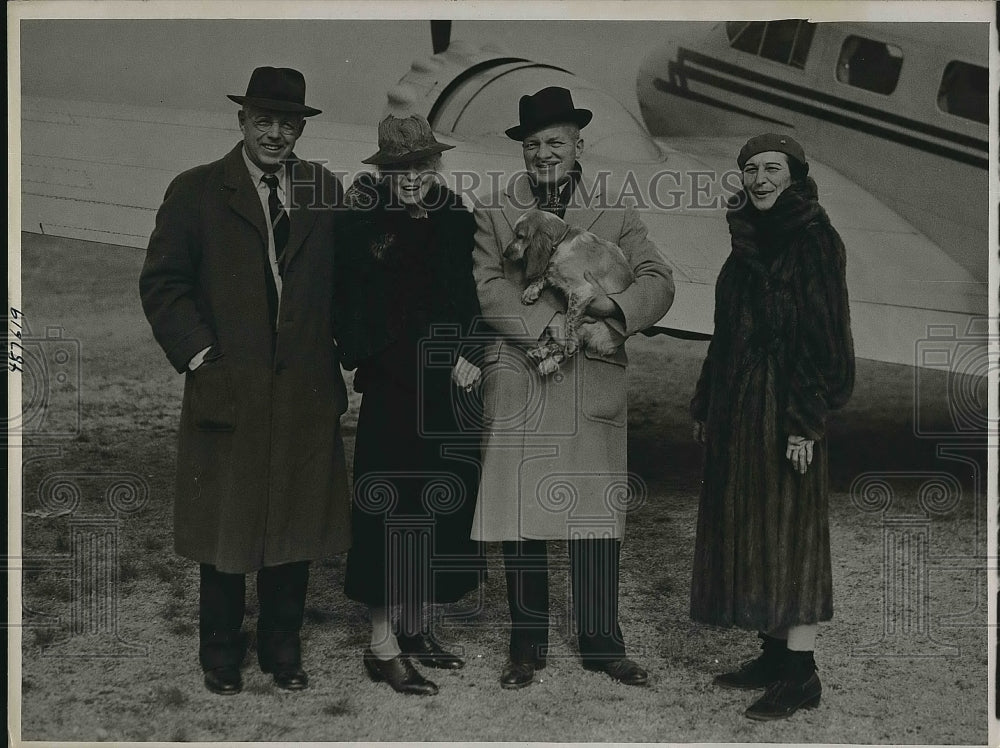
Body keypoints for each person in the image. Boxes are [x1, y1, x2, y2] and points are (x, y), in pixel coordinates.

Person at [139, 67, 350, 696]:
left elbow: (348, 284)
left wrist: (341, 352)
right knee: (226, 526)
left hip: (305, 389)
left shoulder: (323, 189)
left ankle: (284, 650)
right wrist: (202, 357)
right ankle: (221, 653)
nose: (277, 134)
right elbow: (163, 284)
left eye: (289, 123)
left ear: (301, 128)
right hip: (229, 387)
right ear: (242, 121)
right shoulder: (197, 190)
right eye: (266, 121)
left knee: (293, 522)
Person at [471, 86, 675, 689]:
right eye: (532, 145)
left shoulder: (618, 208)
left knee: (592, 514)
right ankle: (525, 645)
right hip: (524, 373)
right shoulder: (495, 210)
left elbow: (659, 281)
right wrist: (548, 334)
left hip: (591, 376)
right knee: (521, 512)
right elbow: (488, 288)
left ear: (578, 143)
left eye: (555, 142)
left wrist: (614, 305)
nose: (543, 155)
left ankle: (601, 641)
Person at [689, 133, 855, 721]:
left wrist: (804, 422)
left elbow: (826, 340)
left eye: (771, 169)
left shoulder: (813, 240)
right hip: (740, 408)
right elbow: (726, 330)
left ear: (796, 175)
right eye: (750, 169)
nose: (759, 179)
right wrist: (708, 403)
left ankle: (801, 674)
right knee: (754, 531)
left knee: (794, 539)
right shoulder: (746, 240)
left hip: (787, 410)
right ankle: (772, 653)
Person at [334, 114, 487, 696]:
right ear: (384, 169)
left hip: (451, 385)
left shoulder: (454, 215)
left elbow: (475, 294)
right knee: (388, 510)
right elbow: (355, 312)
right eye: (401, 169)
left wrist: (472, 350)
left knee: (438, 505)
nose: (415, 178)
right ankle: (381, 644)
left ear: (436, 163)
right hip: (397, 387)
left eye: (424, 165)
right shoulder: (362, 219)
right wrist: (413, 359)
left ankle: (417, 626)